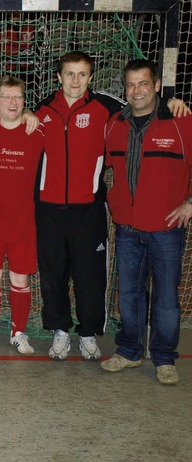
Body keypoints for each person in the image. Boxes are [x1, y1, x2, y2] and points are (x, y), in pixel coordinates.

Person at [35, 51, 189, 362]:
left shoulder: (108, 109)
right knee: (53, 275)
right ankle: (60, 330)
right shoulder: (42, 110)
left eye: (82, 74)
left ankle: (88, 333)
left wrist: (173, 101)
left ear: (91, 78)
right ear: (58, 77)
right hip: (48, 209)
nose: (75, 80)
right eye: (69, 74)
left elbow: (145, 109)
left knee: (90, 276)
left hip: (89, 209)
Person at [101, 59, 192, 385]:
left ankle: (164, 359)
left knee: (166, 298)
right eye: (130, 84)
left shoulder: (182, 122)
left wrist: (190, 203)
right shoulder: (115, 124)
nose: (136, 90)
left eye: (143, 83)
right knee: (128, 295)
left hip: (166, 230)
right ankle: (128, 352)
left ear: (156, 86)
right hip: (127, 228)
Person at [0, 76, 44, 354]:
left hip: (24, 220)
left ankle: (18, 332)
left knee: (20, 280)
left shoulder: (37, 132)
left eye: (18, 98)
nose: (13, 103)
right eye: (6, 97)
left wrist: (31, 114)